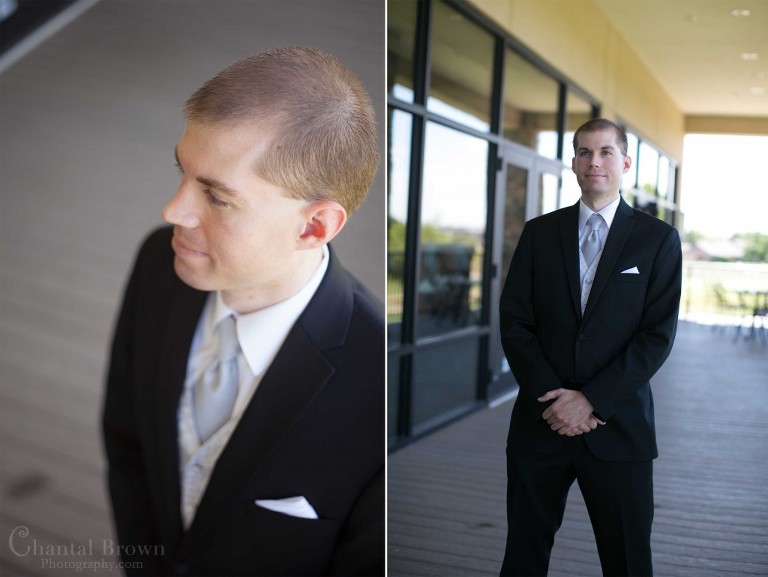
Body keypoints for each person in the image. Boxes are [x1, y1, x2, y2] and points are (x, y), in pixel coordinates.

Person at [102, 47, 383, 576]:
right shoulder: (158, 266)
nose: (173, 211)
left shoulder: (378, 383)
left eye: (216, 196)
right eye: (183, 172)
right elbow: (127, 442)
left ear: (313, 227)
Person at [498, 118, 682, 576]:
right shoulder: (540, 234)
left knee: (628, 561)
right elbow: (515, 323)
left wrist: (593, 402)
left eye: (604, 152)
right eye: (583, 152)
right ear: (574, 163)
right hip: (541, 424)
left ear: (625, 162)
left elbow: (656, 336)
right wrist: (554, 400)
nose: (593, 161)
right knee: (523, 556)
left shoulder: (657, 240)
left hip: (619, 427)